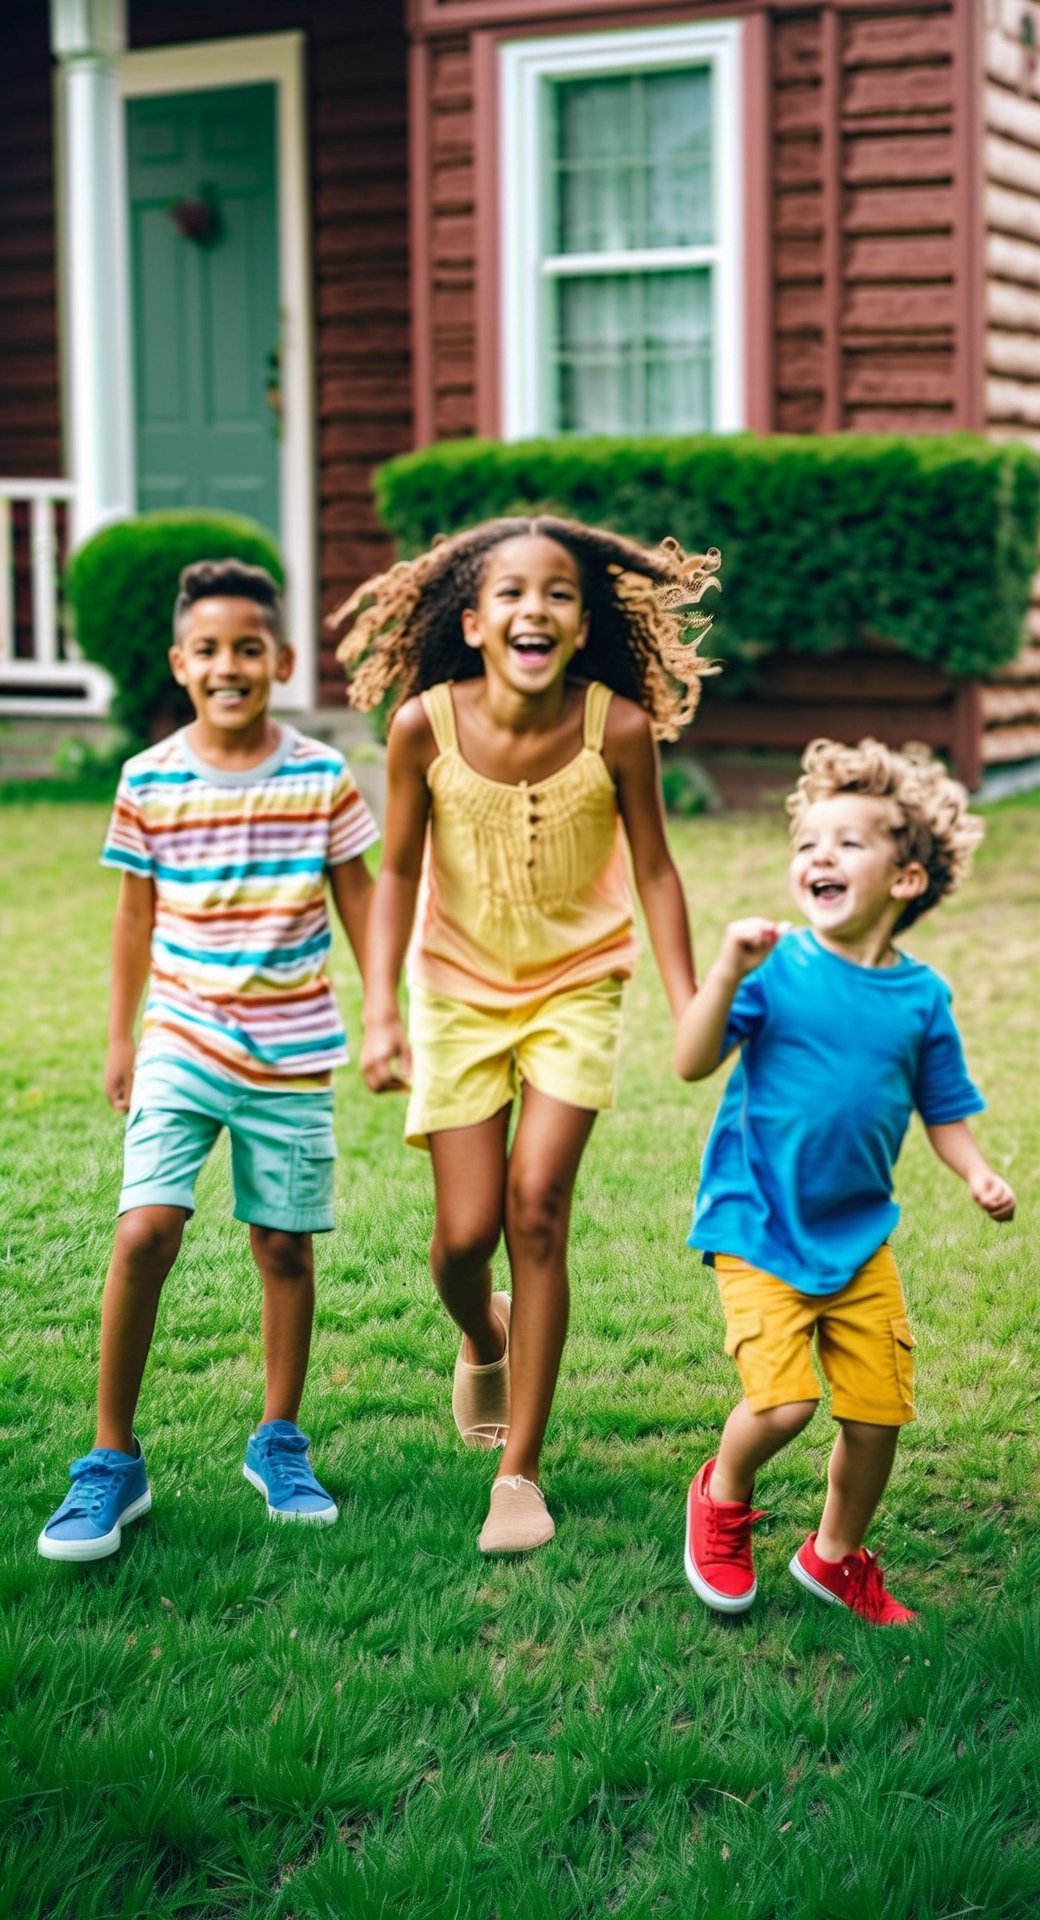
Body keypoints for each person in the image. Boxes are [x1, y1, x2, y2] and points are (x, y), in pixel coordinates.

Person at [336, 514, 717, 1553]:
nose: (532, 608)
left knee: (536, 1210)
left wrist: (688, 996)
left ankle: (520, 1474)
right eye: (510, 592)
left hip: (576, 988)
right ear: (474, 620)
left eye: (555, 592)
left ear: (582, 624)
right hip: (456, 992)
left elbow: (655, 871)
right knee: (463, 1241)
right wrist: (380, 1008)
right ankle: (483, 1330)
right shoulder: (424, 726)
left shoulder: (617, 730)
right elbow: (401, 871)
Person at [38, 560, 378, 1561]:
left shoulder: (321, 774)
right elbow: (133, 918)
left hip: (293, 1046)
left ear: (280, 660)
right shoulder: (148, 778)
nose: (228, 666)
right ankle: (111, 1458)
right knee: (145, 1230)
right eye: (208, 650)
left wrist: (389, 1018)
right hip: (181, 1038)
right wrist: (119, 1036)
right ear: (180, 663)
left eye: (247, 649)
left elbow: (359, 898)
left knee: (283, 1247)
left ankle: (278, 1439)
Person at [677, 737, 1015, 1625]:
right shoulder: (774, 967)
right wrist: (724, 972)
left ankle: (833, 1557)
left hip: (858, 1237)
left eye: (846, 843)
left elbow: (943, 1108)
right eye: (805, 844)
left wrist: (976, 1171)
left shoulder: (922, 998)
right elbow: (689, 1059)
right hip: (757, 1227)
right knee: (783, 1405)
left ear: (905, 880)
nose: (816, 856)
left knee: (876, 1418)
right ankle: (722, 1493)